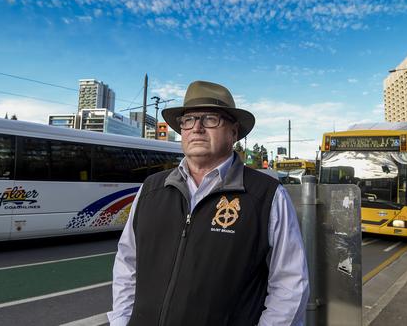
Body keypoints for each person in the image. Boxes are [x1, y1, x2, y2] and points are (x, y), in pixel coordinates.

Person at [108, 80, 309, 326]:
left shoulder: (266, 195)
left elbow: (290, 285)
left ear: (233, 132)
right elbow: (127, 264)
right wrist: (120, 321)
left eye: (210, 119)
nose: (197, 128)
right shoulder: (151, 188)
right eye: (188, 120)